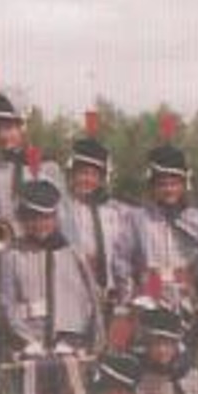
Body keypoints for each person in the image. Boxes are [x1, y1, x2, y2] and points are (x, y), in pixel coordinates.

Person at [0, 176, 101, 394]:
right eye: (31, 218)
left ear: (55, 216)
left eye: (45, 217)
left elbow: (88, 301)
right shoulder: (13, 255)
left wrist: (79, 339)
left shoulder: (73, 253)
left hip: (70, 351)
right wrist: (25, 340)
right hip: (31, 353)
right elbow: (8, 304)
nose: (39, 224)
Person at [125, 122, 198, 336]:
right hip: (149, 305)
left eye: (174, 183)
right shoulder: (137, 219)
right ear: (152, 186)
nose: (169, 189)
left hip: (188, 306)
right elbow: (123, 263)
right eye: (162, 184)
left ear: (184, 184)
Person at [59, 122, 135, 329]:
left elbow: (124, 258)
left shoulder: (118, 212)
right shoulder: (61, 210)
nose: (87, 179)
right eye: (82, 173)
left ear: (103, 178)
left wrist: (124, 300)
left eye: (93, 175)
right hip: (73, 298)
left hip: (110, 299)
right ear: (71, 174)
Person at [0, 69, 63, 229]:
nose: (2, 135)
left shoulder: (48, 167)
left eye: (8, 128)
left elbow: (62, 217)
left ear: (23, 127)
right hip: (1, 250)